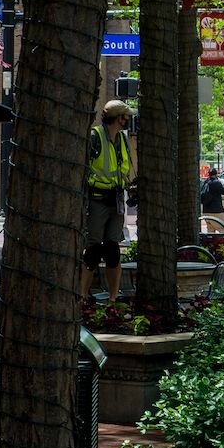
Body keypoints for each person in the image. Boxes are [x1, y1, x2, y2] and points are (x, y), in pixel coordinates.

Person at [82, 99, 135, 301]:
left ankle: (113, 299)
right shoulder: (95, 137)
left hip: (116, 199)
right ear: (118, 118)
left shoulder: (122, 139)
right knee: (93, 249)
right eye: (125, 116)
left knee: (113, 250)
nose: (128, 119)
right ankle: (82, 296)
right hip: (97, 198)